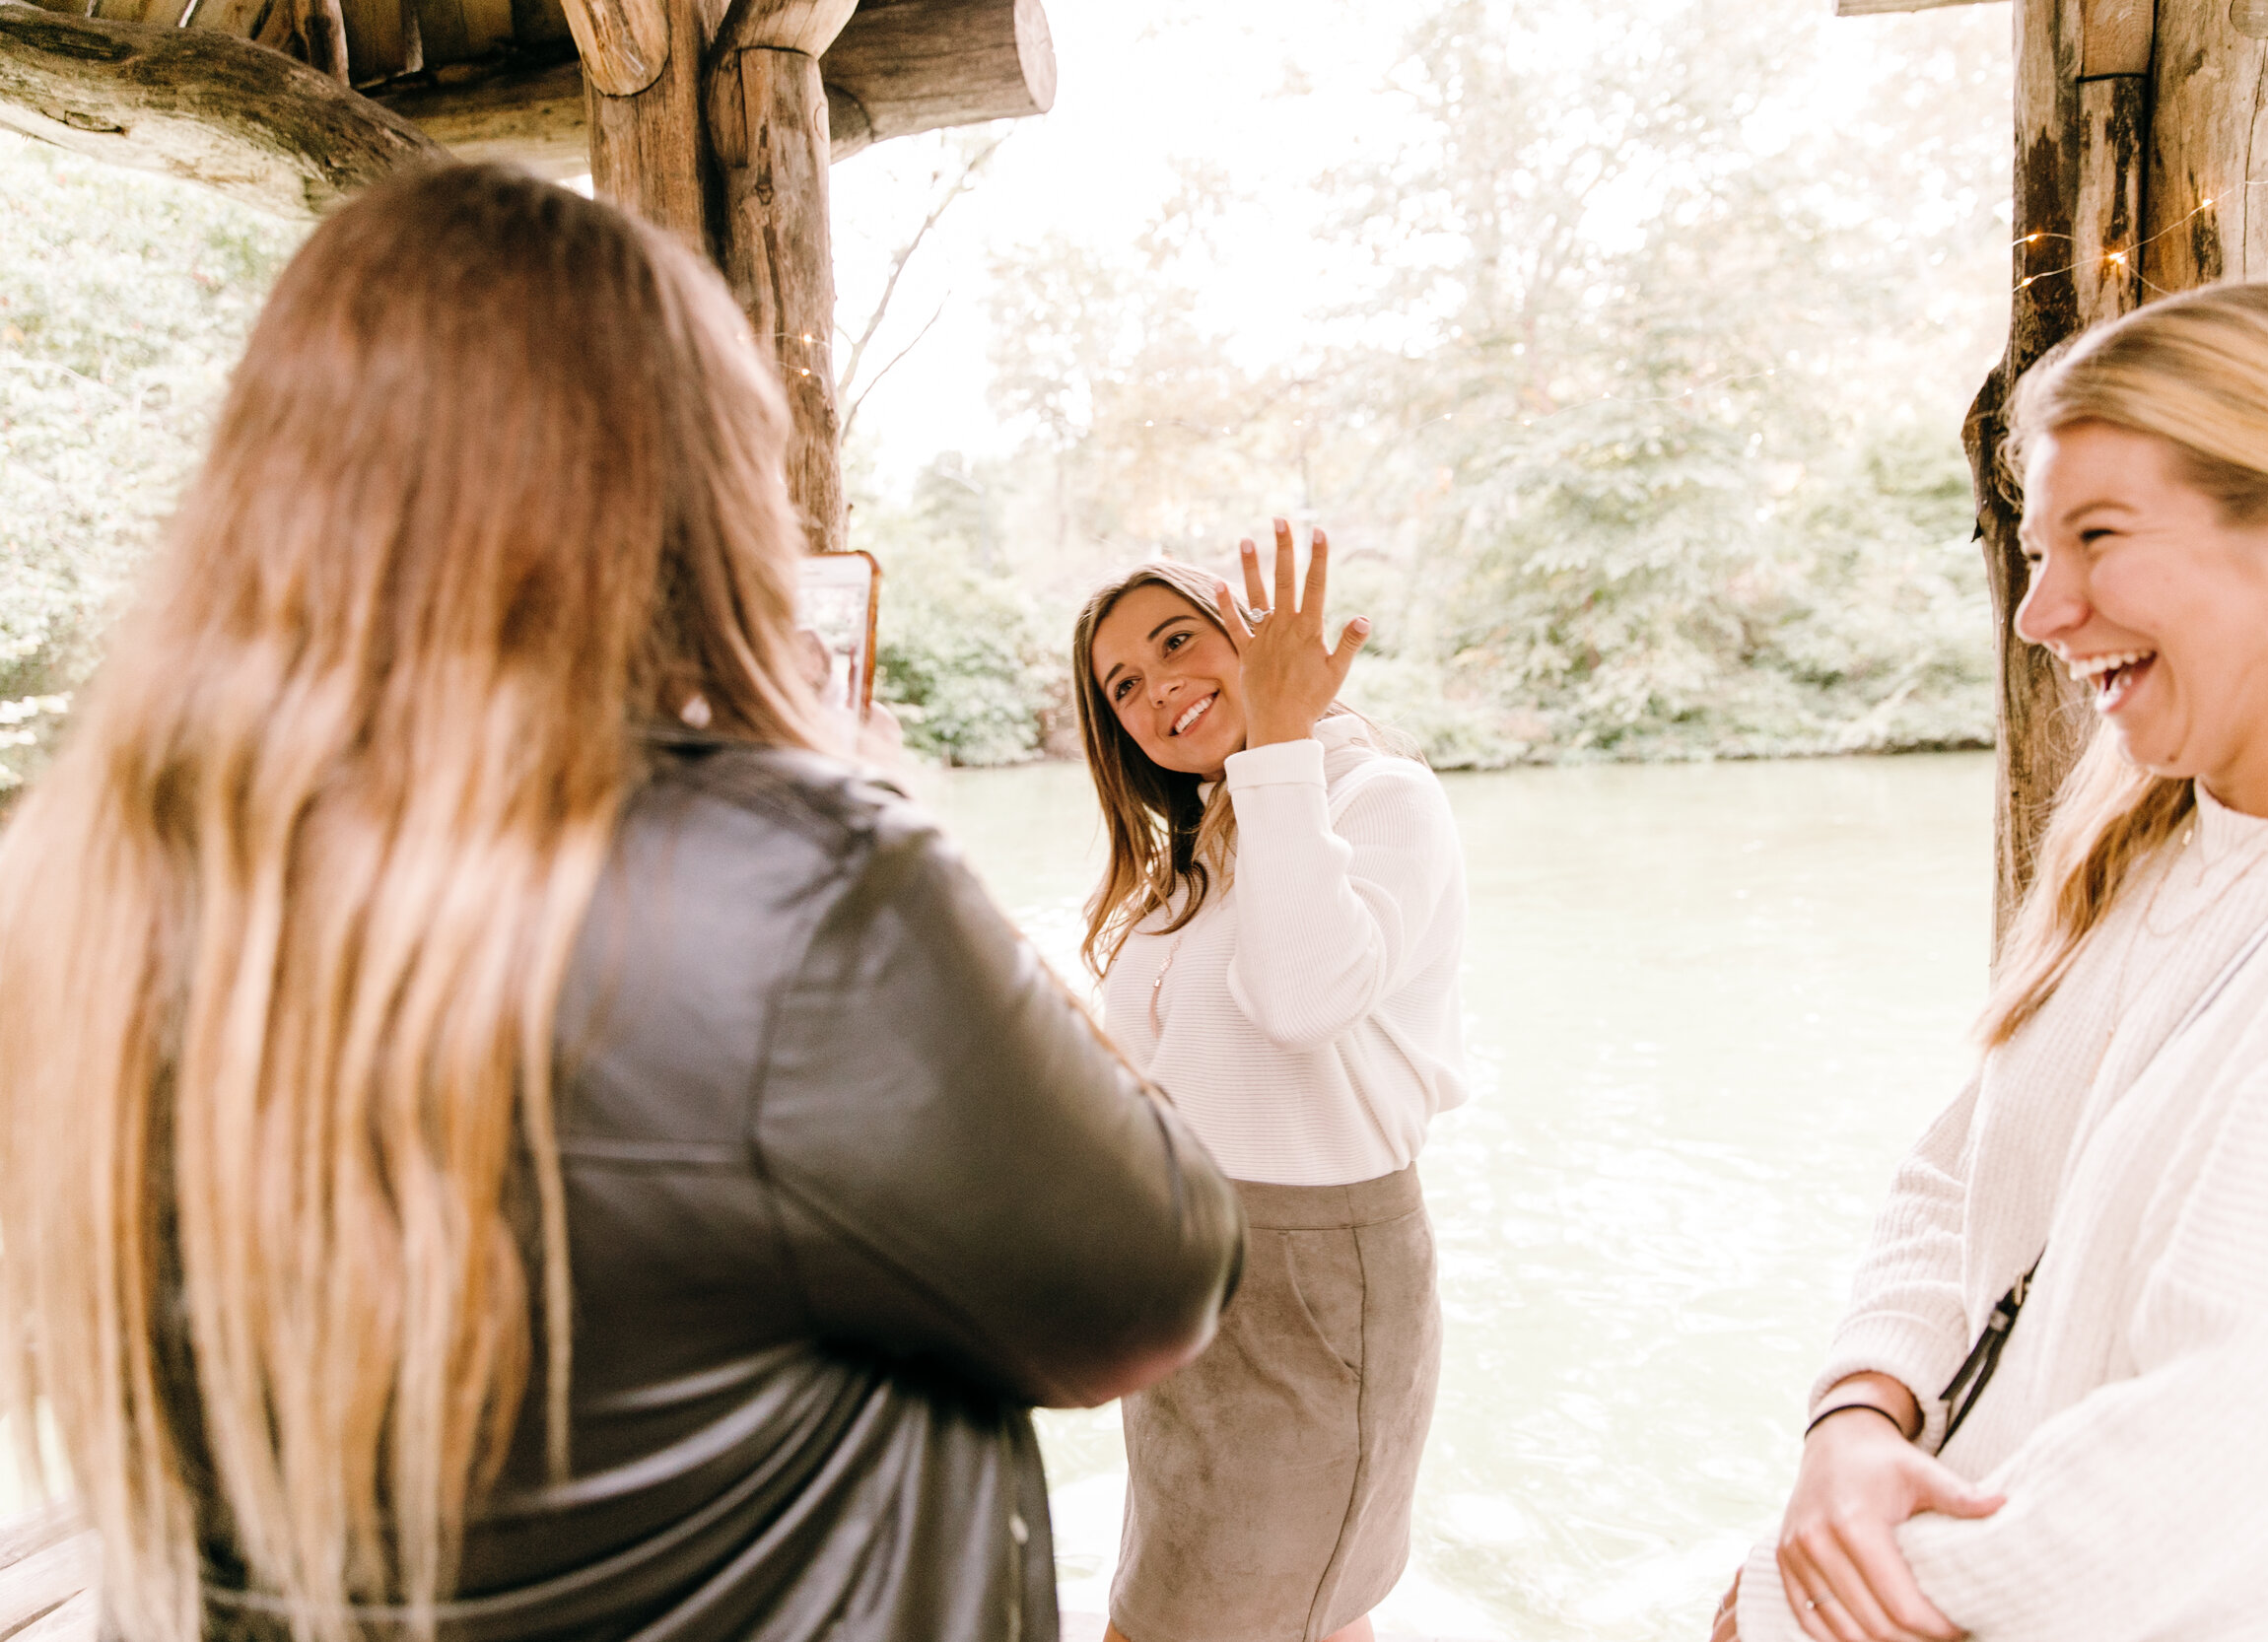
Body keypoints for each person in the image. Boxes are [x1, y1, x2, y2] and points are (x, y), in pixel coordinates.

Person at [0, 165, 1243, 1642]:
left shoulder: (81, 890)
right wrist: (876, 826)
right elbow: (1157, 1277)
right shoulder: (792, 883)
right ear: (669, 489)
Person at [1711, 278, 2268, 1642]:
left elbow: (2219, 1474)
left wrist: (1768, 1606)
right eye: (2036, 547)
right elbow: (1963, 1171)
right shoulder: (2150, 836)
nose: (2039, 614)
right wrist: (1855, 1414)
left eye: (2097, 537)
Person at [1071, 527, 1470, 1642]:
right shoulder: (1207, 848)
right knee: (1286, 1615)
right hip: (1193, 1284)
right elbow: (1155, 1078)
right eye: (1125, 686)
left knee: (1223, 1618)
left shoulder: (1376, 796)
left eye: (1178, 642)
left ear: (1251, 634)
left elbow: (1301, 997)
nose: (1159, 691)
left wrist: (1285, 732)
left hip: (1314, 1290)